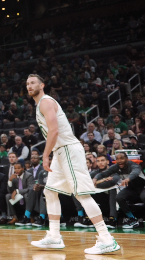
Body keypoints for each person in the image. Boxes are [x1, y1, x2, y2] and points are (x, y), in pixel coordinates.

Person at [27, 74, 120, 254]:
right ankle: (54, 237)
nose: (29, 86)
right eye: (27, 84)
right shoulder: (40, 105)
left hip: (68, 149)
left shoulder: (45, 102)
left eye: (33, 83)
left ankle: (106, 238)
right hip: (61, 151)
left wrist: (45, 155)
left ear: (42, 85)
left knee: (81, 194)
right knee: (50, 191)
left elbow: (54, 131)